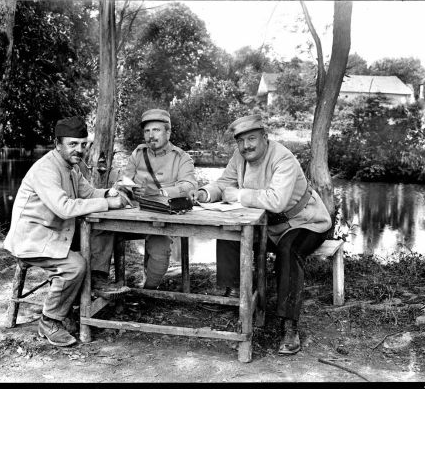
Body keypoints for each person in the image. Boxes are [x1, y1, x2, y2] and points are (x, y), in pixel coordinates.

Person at [195, 114, 332, 355]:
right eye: (241, 141)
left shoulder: (282, 158)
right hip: (267, 225)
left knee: (289, 250)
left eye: (252, 138)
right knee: (229, 233)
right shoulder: (240, 157)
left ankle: (289, 325)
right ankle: (236, 294)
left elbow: (277, 201)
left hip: (304, 221)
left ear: (265, 138)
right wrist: (206, 193)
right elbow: (224, 183)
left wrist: (238, 195)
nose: (246, 145)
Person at [4, 116, 123, 347]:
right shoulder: (46, 169)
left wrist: (111, 194)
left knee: (104, 229)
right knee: (75, 266)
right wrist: (108, 204)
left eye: (82, 144)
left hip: (54, 232)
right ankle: (49, 321)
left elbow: (88, 194)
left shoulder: (71, 166)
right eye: (72, 144)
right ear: (57, 144)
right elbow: (65, 207)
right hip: (33, 238)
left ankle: (96, 280)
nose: (79, 150)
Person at [91, 109, 198, 290]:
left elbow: (188, 186)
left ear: (168, 132)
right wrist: (118, 191)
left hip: (161, 215)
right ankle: (98, 279)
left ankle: (147, 291)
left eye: (156, 130)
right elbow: (125, 180)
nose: (150, 136)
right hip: (133, 211)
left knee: (160, 252)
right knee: (101, 224)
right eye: (147, 131)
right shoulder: (138, 154)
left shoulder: (182, 158)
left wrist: (159, 193)